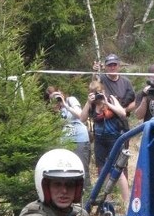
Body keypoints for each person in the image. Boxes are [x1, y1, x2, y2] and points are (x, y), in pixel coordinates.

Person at [80, 79, 130, 207]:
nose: (98, 95)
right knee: (102, 170)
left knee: (118, 169)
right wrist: (88, 102)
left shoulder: (112, 99)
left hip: (115, 138)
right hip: (99, 140)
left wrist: (107, 102)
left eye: (100, 92)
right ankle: (106, 200)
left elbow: (123, 113)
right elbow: (82, 118)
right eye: (95, 93)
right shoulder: (91, 105)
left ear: (103, 91)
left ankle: (126, 201)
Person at [47, 87, 92, 189]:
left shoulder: (70, 100)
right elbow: (55, 127)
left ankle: (87, 194)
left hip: (80, 139)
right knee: (68, 169)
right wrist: (55, 108)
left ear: (61, 94)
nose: (57, 100)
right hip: (65, 142)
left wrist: (65, 105)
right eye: (53, 99)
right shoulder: (54, 109)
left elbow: (80, 115)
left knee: (83, 168)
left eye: (57, 96)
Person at [94, 54, 136, 120]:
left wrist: (122, 110)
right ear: (105, 67)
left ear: (119, 66)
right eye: (109, 65)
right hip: (104, 121)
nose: (112, 68)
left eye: (114, 65)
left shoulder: (126, 81)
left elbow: (135, 102)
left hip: (121, 121)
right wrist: (95, 72)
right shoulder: (101, 79)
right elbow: (93, 87)